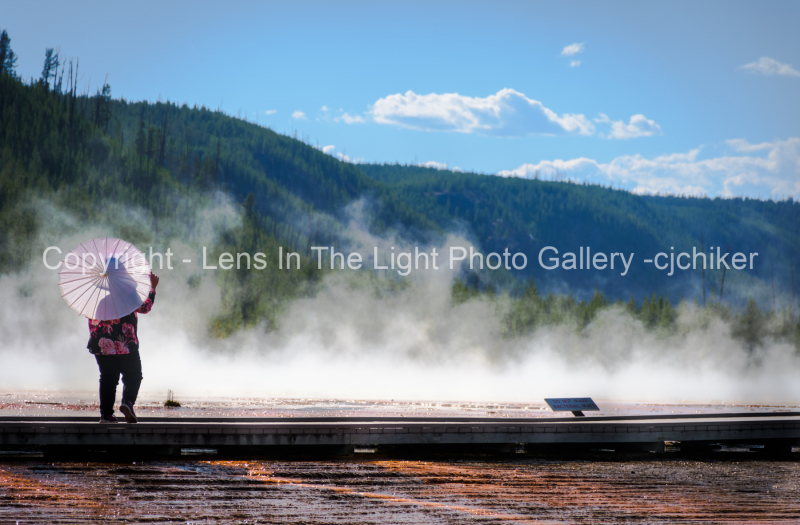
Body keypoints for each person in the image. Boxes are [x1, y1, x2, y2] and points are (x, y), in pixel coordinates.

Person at [87, 271, 159, 423]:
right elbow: (145, 307)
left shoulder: (97, 299)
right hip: (124, 343)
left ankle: (106, 415)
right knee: (133, 375)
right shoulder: (127, 297)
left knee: (108, 378)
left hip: (101, 345)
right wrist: (152, 288)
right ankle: (127, 401)